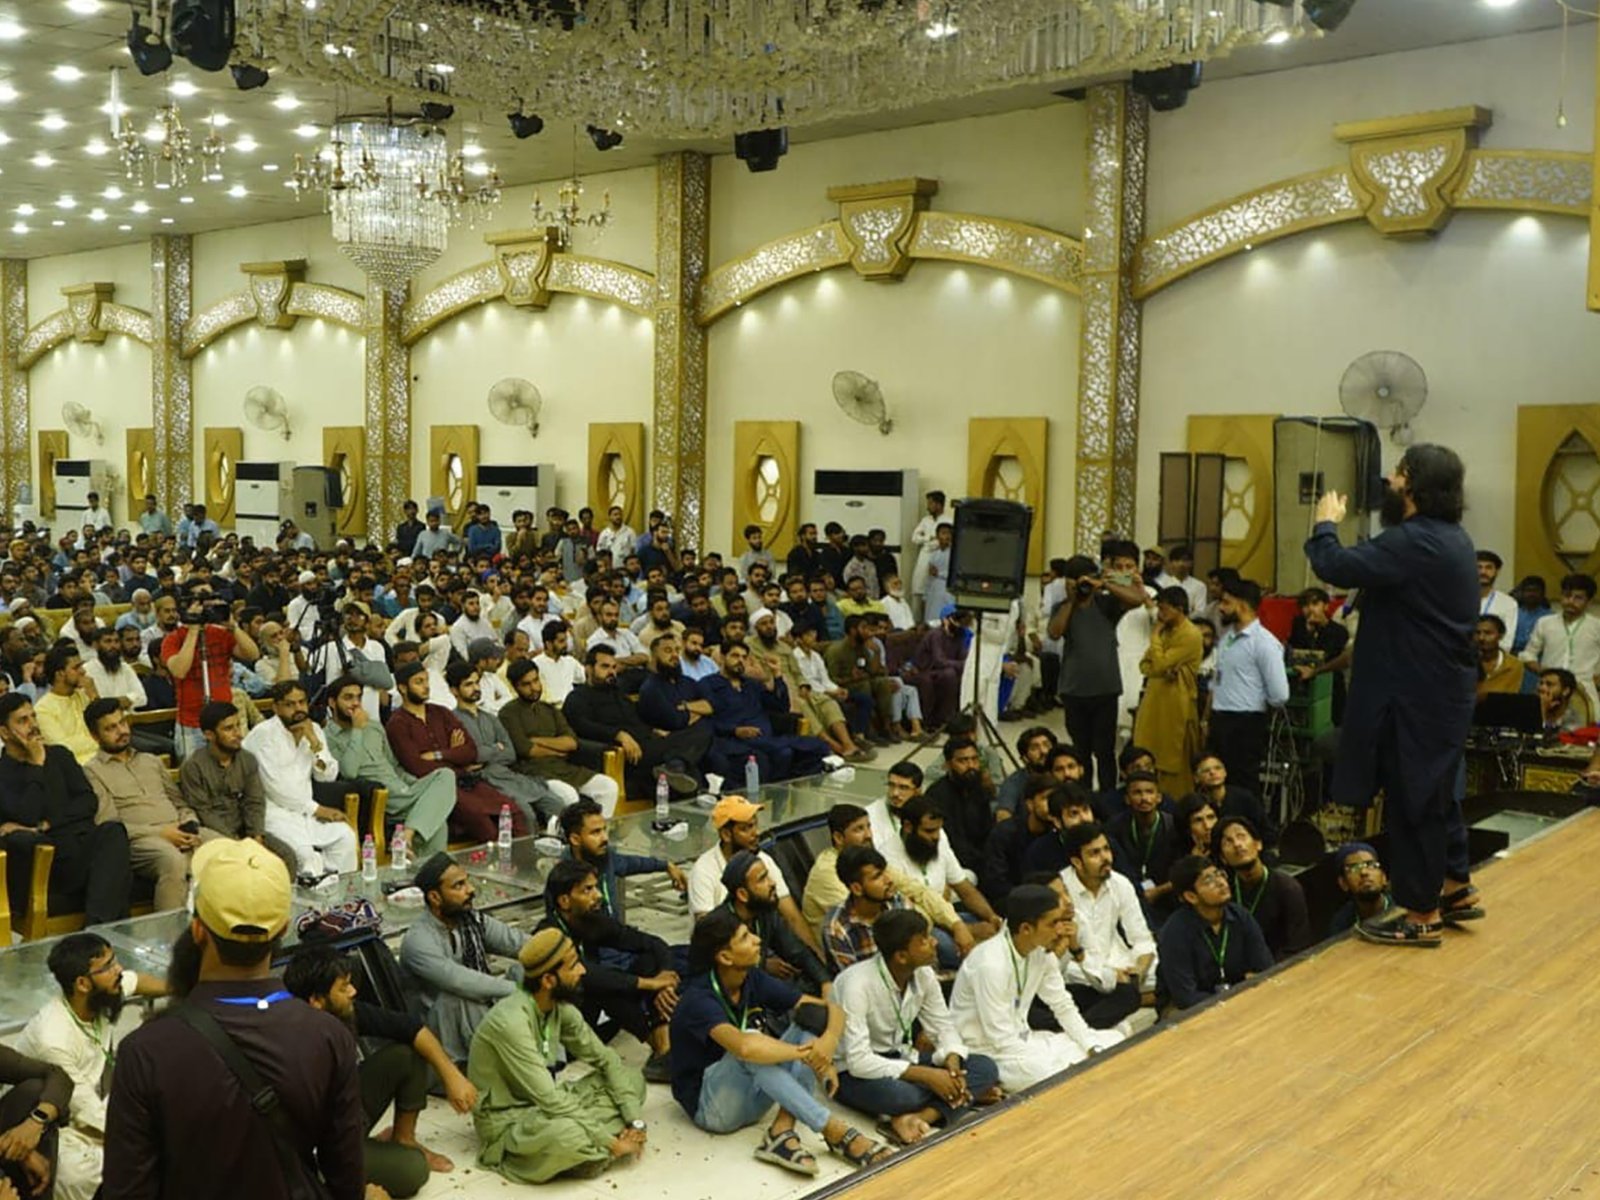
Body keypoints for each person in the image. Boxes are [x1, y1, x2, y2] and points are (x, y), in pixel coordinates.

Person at [102, 839, 367, 1199]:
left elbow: (127, 1190)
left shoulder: (144, 1050)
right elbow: (346, 1177)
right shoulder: (329, 1035)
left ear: (197, 930)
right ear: (283, 930)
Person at [1305, 445, 1482, 947]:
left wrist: (1325, 522)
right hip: (1438, 692)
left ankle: (1421, 913)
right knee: (1436, 793)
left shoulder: (1415, 541)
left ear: (1415, 486)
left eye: (1399, 473)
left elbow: (1334, 564)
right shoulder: (1452, 538)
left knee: (1413, 801)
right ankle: (1455, 885)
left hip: (1415, 696)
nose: (1389, 478)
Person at [669, 908, 893, 1175]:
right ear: (725, 957)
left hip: (753, 1093)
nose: (757, 940)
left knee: (811, 1020)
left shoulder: (750, 977)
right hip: (712, 1108)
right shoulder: (698, 998)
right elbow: (744, 1047)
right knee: (752, 1042)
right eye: (744, 937)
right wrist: (805, 1054)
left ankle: (781, 1131)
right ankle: (834, 1130)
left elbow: (829, 1008)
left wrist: (827, 1045)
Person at [283, 946, 477, 1196]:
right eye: (343, 988)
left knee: (406, 1053)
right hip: (321, 1144)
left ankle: (403, 1138)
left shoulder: (344, 1013)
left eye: (350, 984)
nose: (353, 992)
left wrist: (452, 1076)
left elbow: (412, 1028)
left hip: (346, 1115)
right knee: (413, 1171)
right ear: (316, 1001)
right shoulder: (292, 1042)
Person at [466, 927, 648, 1183]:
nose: (582, 971)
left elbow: (605, 1059)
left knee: (631, 1079)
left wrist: (635, 1121)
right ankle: (597, 1148)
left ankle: (589, 1151)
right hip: (510, 1122)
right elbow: (548, 1098)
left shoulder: (559, 1008)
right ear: (549, 981)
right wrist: (611, 1144)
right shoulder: (511, 1022)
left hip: (546, 1107)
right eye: (574, 966)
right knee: (568, 1135)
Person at [833, 909, 1002, 1146]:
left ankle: (920, 1117)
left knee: (985, 1067)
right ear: (901, 956)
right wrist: (929, 1076)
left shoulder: (924, 974)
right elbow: (859, 1062)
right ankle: (961, 1098)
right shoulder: (856, 985)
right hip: (852, 1073)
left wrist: (952, 1062)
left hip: (900, 1057)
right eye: (924, 940)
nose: (934, 942)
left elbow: (943, 1026)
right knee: (902, 1096)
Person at [19, 933, 165, 1200]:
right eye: (108, 967)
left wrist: (186, 990)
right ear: (83, 983)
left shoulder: (103, 993)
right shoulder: (53, 1037)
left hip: (96, 1105)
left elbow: (139, 981)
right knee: (78, 1174)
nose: (118, 970)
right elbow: (86, 1110)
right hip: (56, 1123)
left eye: (115, 961)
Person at [948, 884, 1122, 1091]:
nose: (1061, 930)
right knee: (1043, 1071)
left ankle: (1070, 1068)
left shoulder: (1041, 951)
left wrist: (1091, 1047)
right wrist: (1048, 1056)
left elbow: (1063, 1006)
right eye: (1053, 923)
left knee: (1116, 1037)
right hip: (991, 1053)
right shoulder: (990, 964)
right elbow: (1000, 1039)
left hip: (1027, 1042)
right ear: (1026, 929)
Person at [539, 859, 678, 1081]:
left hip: (595, 1020)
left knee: (648, 962)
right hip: (563, 1033)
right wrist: (647, 983)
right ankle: (662, 1045)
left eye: (595, 887)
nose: (598, 895)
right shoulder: (548, 934)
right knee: (602, 984)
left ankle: (663, 1042)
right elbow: (587, 974)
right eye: (588, 890)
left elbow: (652, 943)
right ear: (565, 901)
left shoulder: (590, 920)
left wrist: (663, 980)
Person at [0, 692, 131, 927]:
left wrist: (45, 824)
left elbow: (87, 802)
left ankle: (95, 928)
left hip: (82, 849)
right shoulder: (3, 774)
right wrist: (36, 765)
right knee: (112, 876)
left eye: (33, 717)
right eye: (22, 721)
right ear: (4, 732)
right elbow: (25, 814)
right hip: (48, 863)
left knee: (113, 831)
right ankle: (101, 933)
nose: (33, 725)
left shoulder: (60, 756)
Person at [84, 699, 217, 912]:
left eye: (122, 723)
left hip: (180, 829)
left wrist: (189, 822)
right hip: (140, 840)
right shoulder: (92, 771)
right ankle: (169, 938)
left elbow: (179, 803)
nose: (121, 731)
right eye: (111, 728)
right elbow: (109, 827)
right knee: (173, 861)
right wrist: (162, 833)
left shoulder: (151, 761)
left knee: (227, 848)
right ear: (95, 736)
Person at [400, 853, 531, 1063]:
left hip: (477, 1013)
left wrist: (559, 952)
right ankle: (505, 1059)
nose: (470, 890)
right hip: (439, 1035)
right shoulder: (418, 940)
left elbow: (518, 942)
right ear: (435, 897)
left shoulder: (472, 921)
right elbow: (460, 981)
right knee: (461, 997)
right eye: (458, 885)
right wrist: (522, 993)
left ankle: (543, 1054)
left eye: (467, 881)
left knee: (532, 970)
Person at [386, 661, 527, 844]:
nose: (426, 686)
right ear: (403, 688)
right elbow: (416, 766)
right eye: (419, 682)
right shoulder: (397, 723)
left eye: (427, 680)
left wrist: (439, 755)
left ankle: (524, 863)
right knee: (484, 823)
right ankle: (499, 869)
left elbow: (470, 751)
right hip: (438, 788)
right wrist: (454, 754)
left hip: (467, 780)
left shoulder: (441, 713)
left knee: (513, 812)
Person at [324, 675, 455, 860]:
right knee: (438, 820)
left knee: (445, 777)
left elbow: (393, 765)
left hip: (404, 792)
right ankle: (418, 851)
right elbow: (349, 773)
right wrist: (357, 730)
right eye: (348, 698)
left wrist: (414, 786)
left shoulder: (375, 727)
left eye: (358, 697)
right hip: (382, 799)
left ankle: (410, 843)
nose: (355, 703)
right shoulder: (327, 736)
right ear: (332, 702)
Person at [1047, 555, 1148, 790]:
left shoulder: (1106, 604)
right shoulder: (1061, 607)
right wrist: (1071, 601)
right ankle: (1083, 796)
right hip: (1074, 690)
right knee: (1080, 751)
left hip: (1105, 689)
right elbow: (1054, 633)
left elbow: (1138, 599)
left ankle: (1107, 796)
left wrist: (1103, 584)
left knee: (1104, 751)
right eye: (1073, 580)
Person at [241, 679, 359, 877]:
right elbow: (276, 789)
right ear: (276, 707)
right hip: (273, 815)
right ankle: (311, 901)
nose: (298, 709)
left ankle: (340, 897)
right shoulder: (264, 735)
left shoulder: (312, 729)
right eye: (290, 704)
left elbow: (327, 777)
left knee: (345, 837)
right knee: (306, 855)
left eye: (302, 702)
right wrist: (318, 809)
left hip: (305, 815)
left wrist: (314, 743)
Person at [564, 645, 712, 800]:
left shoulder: (617, 692)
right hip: (627, 753)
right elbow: (582, 726)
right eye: (605, 667)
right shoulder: (578, 697)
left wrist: (652, 730)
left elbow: (635, 719)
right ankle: (675, 767)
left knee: (702, 730)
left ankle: (675, 767)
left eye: (614, 667)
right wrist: (619, 735)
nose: (611, 672)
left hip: (647, 743)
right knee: (694, 747)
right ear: (588, 669)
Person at [687, 798, 825, 961]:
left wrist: (819, 957)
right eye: (746, 828)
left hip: (762, 948)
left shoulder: (763, 860)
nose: (756, 833)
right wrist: (761, 964)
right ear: (726, 834)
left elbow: (792, 917)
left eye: (755, 825)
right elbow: (710, 936)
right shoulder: (703, 871)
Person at [1058, 821, 1158, 1030]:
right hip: (1077, 969)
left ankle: (1128, 995)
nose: (1106, 858)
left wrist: (1137, 971)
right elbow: (1060, 960)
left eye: (1106, 849)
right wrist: (1110, 976)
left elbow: (1141, 939)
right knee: (1091, 983)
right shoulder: (1061, 891)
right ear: (1077, 861)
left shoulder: (1119, 883)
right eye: (1095, 853)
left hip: (1121, 963)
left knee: (1165, 973)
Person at [447, 662, 565, 831]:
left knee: (556, 803)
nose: (475, 688)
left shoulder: (490, 718)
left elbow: (510, 753)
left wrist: (482, 753)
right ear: (454, 690)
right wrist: (495, 748)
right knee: (525, 814)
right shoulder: (451, 721)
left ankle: (554, 849)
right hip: (482, 780)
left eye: (476, 683)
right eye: (468, 684)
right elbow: (468, 755)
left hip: (507, 775)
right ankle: (527, 856)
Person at [500, 659, 621, 816]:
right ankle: (570, 838)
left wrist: (537, 740)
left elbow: (571, 743)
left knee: (608, 786)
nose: (534, 688)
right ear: (514, 686)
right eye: (526, 684)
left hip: (564, 769)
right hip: (533, 773)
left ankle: (598, 836)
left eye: (536, 680)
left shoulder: (549, 709)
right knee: (568, 795)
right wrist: (557, 749)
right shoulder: (508, 714)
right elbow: (528, 751)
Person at [700, 641, 829, 783]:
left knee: (820, 747)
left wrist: (777, 675)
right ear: (723, 657)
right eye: (735, 656)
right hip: (736, 741)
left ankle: (791, 782)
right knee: (784, 753)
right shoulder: (708, 684)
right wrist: (735, 730)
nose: (740, 661)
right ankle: (779, 787)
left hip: (766, 738)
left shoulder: (751, 684)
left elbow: (781, 707)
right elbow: (707, 720)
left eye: (744, 657)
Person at [886, 795, 1000, 956]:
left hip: (947, 917)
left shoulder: (939, 839)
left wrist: (991, 916)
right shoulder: (888, 857)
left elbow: (964, 888)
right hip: (920, 926)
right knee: (955, 949)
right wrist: (967, 930)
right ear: (908, 827)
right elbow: (917, 913)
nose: (936, 836)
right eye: (929, 831)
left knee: (996, 933)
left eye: (939, 829)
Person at [1157, 855, 1274, 1009]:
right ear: (1191, 896)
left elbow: (1265, 968)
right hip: (1188, 1011)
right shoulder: (1174, 933)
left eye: (1219, 874)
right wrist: (1236, 991)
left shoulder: (1240, 916)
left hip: (1238, 997)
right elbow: (1186, 998)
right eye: (1208, 881)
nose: (1220, 883)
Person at [1208, 577, 1289, 797]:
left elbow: (1280, 694)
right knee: (1217, 784)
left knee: (1242, 785)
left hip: (1244, 723)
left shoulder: (1264, 642)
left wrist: (1253, 705)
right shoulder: (1228, 638)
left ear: (1242, 604)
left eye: (1225, 603)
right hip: (1221, 719)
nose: (1221, 608)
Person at [163, 587, 259, 761]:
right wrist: (193, 629)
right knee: (195, 774)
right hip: (192, 723)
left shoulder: (220, 634)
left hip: (226, 721)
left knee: (230, 769)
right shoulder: (173, 639)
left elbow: (253, 654)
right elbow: (180, 670)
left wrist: (233, 627)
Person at [721, 850, 831, 994]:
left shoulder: (765, 914)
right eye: (762, 879)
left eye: (768, 876)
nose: (772, 883)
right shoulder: (721, 927)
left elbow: (798, 952)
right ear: (743, 894)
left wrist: (825, 982)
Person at [1135, 586, 1203, 797]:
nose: (1160, 615)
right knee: (1147, 752)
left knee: (1174, 760)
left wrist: (1155, 637)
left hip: (1177, 706)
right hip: (1154, 702)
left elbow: (1160, 664)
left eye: (1164, 610)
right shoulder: (1166, 631)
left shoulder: (1190, 634)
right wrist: (1162, 663)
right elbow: (1145, 666)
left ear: (1179, 609)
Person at [1213, 815, 1310, 961]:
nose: (1237, 844)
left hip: (1277, 969)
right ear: (1222, 858)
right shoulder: (1223, 890)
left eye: (1241, 836)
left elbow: (1297, 946)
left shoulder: (1287, 888)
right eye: (1228, 841)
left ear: (1258, 844)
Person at [1105, 769, 1180, 919]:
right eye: (1137, 793)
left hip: (1168, 896)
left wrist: (1158, 891)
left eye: (1149, 792)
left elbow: (1183, 871)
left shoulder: (1175, 826)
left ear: (1159, 797)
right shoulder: (1114, 827)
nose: (1144, 798)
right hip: (1128, 895)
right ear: (1127, 798)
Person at [821, 844, 906, 969]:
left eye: (885, 872)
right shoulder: (836, 928)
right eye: (877, 876)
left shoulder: (897, 901)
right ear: (857, 889)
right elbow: (854, 982)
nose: (888, 880)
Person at [980, 773, 1058, 907]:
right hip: (1011, 901)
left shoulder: (1060, 833)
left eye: (1055, 799)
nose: (1052, 804)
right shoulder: (1005, 833)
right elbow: (996, 883)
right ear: (1030, 804)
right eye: (1045, 798)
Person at [33, 644, 99, 765]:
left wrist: (94, 696)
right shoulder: (43, 710)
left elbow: (107, 727)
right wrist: (99, 739)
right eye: (76, 667)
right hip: (79, 767)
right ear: (60, 674)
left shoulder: (84, 695)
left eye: (82, 666)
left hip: (105, 758)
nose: (83, 671)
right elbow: (64, 749)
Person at [1326, 841, 1394, 935]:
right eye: (1354, 868)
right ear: (1343, 883)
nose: (1364, 872)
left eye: (1370, 865)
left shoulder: (1403, 909)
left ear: (1384, 877)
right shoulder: (1341, 923)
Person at [994, 726, 1057, 822]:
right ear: (1024, 758)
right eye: (1035, 748)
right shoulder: (1014, 783)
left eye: (1046, 745)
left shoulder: (1062, 774)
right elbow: (1003, 816)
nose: (1043, 751)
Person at [1475, 615, 1529, 699]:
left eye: (1488, 633)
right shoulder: (1463, 662)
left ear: (1501, 635)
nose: (1481, 638)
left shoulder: (1514, 665)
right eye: (1477, 633)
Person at [1512, 574, 1552, 655]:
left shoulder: (1550, 617)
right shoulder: (1513, 613)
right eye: (1528, 590)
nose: (1531, 594)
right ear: (1522, 592)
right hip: (1515, 657)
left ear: (1542, 593)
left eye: (1535, 590)